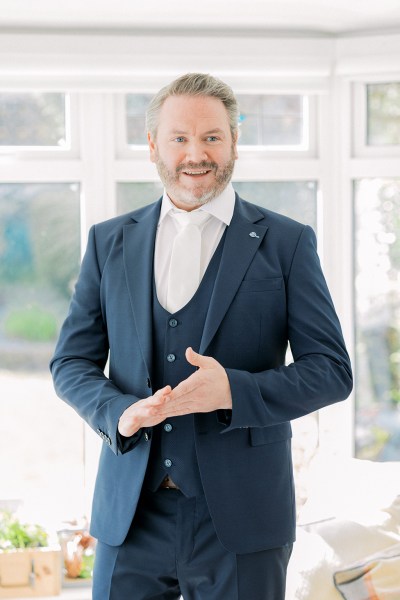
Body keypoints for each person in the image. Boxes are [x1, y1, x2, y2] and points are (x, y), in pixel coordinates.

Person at [50, 72, 353, 599]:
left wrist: (236, 391)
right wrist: (118, 411)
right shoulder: (109, 242)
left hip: (243, 517)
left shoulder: (287, 243)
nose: (197, 154)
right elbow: (71, 362)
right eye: (180, 138)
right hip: (131, 515)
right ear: (152, 146)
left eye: (212, 137)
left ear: (235, 140)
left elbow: (331, 370)